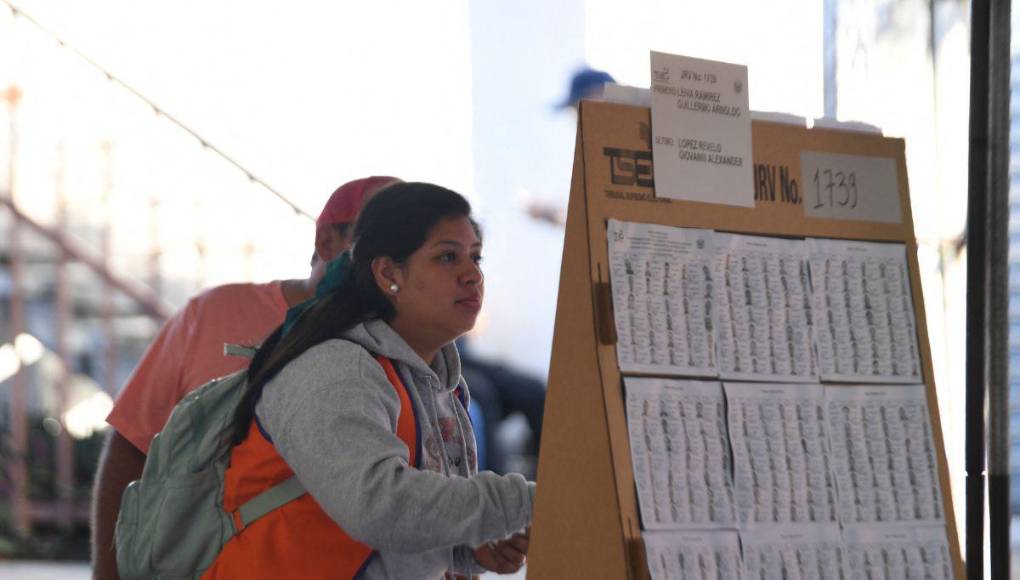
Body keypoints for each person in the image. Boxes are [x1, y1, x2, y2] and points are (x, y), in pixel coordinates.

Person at [201, 182, 532, 579]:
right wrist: (531, 501)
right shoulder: (334, 368)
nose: (472, 275)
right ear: (388, 273)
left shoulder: (432, 378)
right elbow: (379, 505)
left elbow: (383, 528)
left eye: (476, 257)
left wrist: (465, 551)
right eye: (447, 257)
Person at [91, 176, 399, 580]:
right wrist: (107, 573)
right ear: (327, 242)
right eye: (378, 237)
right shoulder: (212, 315)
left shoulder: (406, 347)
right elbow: (132, 445)